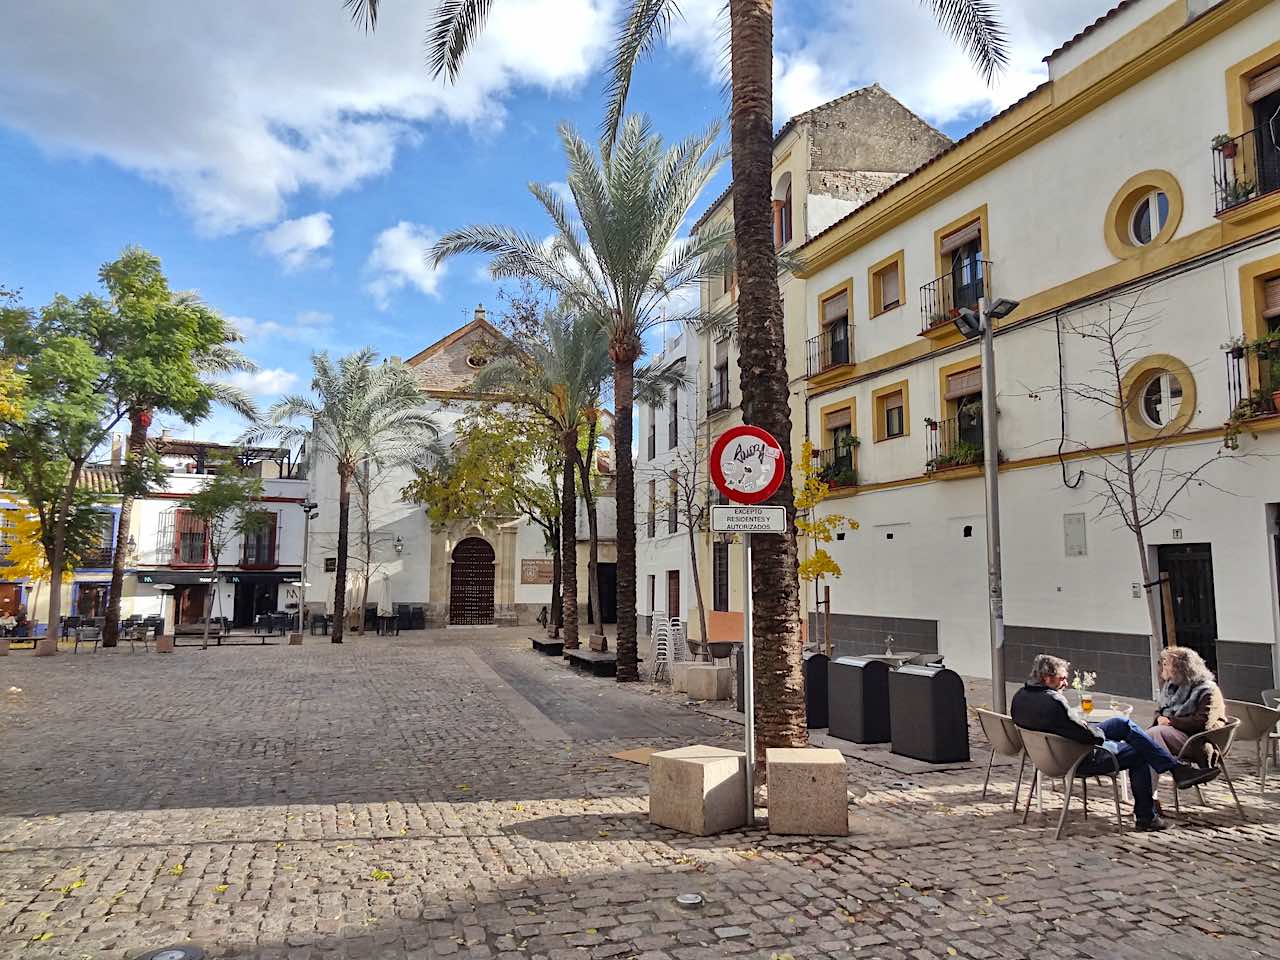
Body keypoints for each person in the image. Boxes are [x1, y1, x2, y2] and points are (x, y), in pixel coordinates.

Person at [1011, 654, 1219, 831]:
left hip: (1048, 755)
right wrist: (1094, 731)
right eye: (1062, 679)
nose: (1066, 683)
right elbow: (1089, 737)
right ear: (1048, 679)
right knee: (1140, 753)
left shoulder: (1020, 697)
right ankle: (1147, 816)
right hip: (1079, 757)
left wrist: (1088, 726)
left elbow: (1069, 728)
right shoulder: (1054, 701)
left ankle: (1176, 769)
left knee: (1122, 723)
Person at [1147, 646, 1226, 764]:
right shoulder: (1172, 687)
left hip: (1198, 741)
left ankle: (1175, 771)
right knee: (1147, 741)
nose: (1163, 667)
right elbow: (1161, 710)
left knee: (1153, 736)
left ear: (1181, 668)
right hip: (1174, 735)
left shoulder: (1207, 690)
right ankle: (1176, 772)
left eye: (1166, 664)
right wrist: (1160, 718)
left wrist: (1170, 721)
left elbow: (1203, 722)